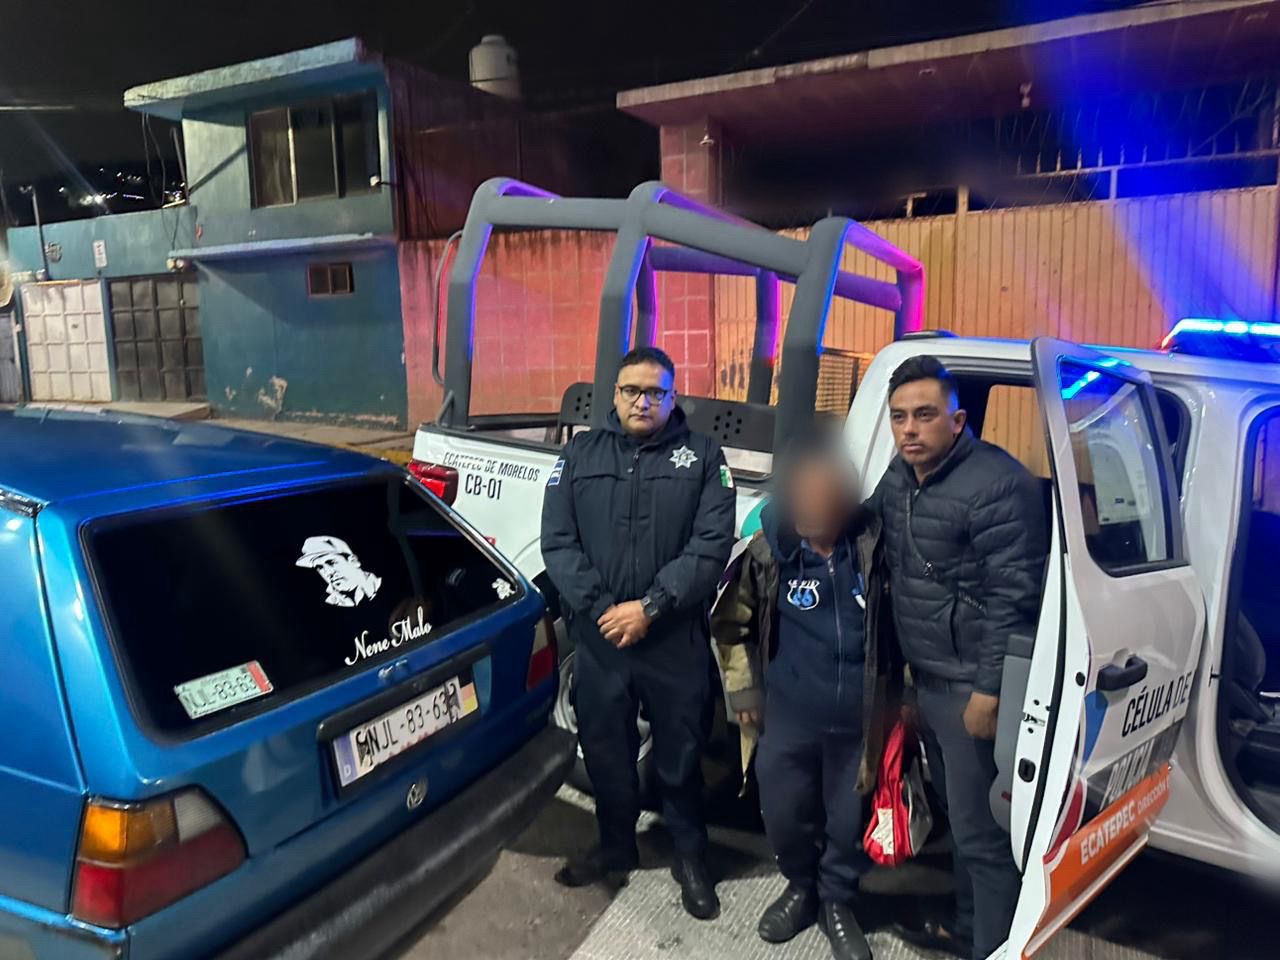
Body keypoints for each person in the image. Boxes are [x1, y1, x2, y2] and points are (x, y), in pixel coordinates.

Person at [541, 346, 736, 919]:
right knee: (606, 751)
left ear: (673, 397)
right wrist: (606, 610)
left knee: (681, 755)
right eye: (632, 390)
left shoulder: (704, 457)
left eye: (656, 392)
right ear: (616, 395)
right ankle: (615, 846)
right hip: (602, 640)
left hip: (673, 640)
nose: (643, 401)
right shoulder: (580, 454)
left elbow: (711, 546)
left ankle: (689, 855)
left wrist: (650, 607)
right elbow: (558, 542)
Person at [870, 356, 1047, 960]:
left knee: (982, 838)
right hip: (926, 678)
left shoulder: (1000, 485)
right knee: (959, 823)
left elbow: (1013, 601)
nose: (910, 429)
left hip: (970, 686)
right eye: (899, 417)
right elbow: (868, 530)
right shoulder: (901, 477)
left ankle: (994, 946)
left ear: (958, 420)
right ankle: (969, 929)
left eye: (925, 415)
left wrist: (988, 693)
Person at [711, 421, 895, 960]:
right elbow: (729, 624)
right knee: (785, 814)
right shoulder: (770, 552)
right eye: (802, 494)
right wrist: (743, 693)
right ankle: (800, 887)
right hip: (788, 722)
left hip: (857, 728)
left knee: (847, 822)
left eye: (823, 494)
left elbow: (903, 630)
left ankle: (837, 901)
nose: (810, 505)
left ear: (843, 496)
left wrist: (904, 700)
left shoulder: (873, 551)